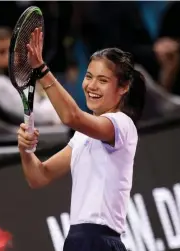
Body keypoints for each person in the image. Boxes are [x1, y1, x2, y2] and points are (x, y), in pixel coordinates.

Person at [17, 28, 146, 251]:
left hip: (98, 241)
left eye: (103, 80)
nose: (91, 86)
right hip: (78, 240)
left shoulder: (122, 125)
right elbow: (39, 176)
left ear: (123, 88)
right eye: (89, 76)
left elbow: (71, 116)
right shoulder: (82, 136)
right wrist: (25, 150)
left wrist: (41, 69)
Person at [0, 28, 61, 125]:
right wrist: (56, 111)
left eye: (12, 51)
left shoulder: (10, 80)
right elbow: (33, 115)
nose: (10, 56)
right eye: (2, 52)